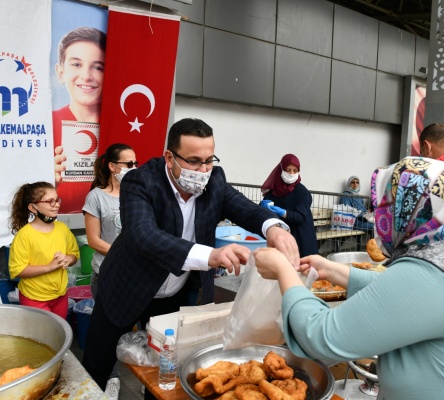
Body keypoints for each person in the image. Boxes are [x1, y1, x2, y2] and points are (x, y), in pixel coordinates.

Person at [254, 157, 444, 399]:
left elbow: (322, 336)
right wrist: (331, 269)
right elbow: (398, 296)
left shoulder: (436, 273)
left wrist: (283, 270)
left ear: (413, 210)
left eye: (386, 205)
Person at [82, 118, 300, 392]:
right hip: (126, 288)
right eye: (194, 161)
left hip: (172, 295)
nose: (204, 169)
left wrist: (273, 228)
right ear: (169, 157)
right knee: (97, 364)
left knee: (164, 369)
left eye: (210, 160)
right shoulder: (140, 181)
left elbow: (245, 208)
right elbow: (143, 234)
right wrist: (211, 255)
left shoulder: (215, 181)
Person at [52, 27, 106, 213]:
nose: (86, 76)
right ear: (60, 73)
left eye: (98, 67)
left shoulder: (123, 127)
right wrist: (43, 180)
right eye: (76, 64)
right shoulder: (44, 126)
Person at [8, 182, 79, 319]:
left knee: (59, 336)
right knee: (45, 338)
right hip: (34, 298)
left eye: (57, 200)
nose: (57, 204)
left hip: (60, 295)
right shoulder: (24, 235)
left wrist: (67, 259)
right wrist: (49, 266)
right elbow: (17, 270)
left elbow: (74, 254)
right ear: (33, 207)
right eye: (50, 202)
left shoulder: (62, 228)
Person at [82, 143, 137, 299]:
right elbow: (93, 241)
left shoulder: (138, 194)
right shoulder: (96, 197)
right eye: (129, 164)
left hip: (136, 274)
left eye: (135, 164)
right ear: (112, 166)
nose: (133, 168)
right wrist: (125, 256)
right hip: (108, 273)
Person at [259, 154, 318, 257]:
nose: (291, 174)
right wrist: (262, 206)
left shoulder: (302, 192)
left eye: (295, 171)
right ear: (281, 169)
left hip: (301, 238)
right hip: (282, 239)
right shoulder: (274, 190)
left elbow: (300, 217)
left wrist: (282, 212)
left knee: (302, 268)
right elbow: (262, 209)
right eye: (288, 170)